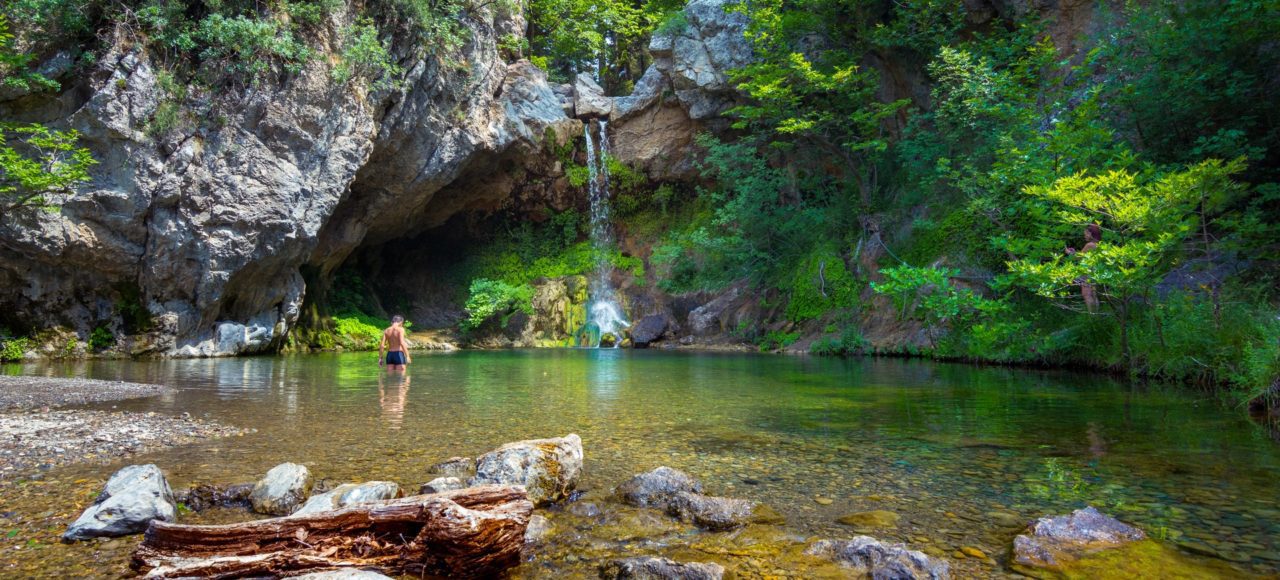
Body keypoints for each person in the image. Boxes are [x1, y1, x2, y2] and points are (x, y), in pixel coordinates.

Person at [1065, 223, 1102, 313]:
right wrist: (1074, 252)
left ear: (1090, 233)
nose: (1084, 235)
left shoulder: (1090, 245)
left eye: (1086, 233)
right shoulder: (1099, 244)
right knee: (1094, 294)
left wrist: (1069, 252)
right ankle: (1096, 315)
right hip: (1095, 270)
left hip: (1088, 271)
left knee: (1086, 294)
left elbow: (1079, 257)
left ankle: (1092, 317)